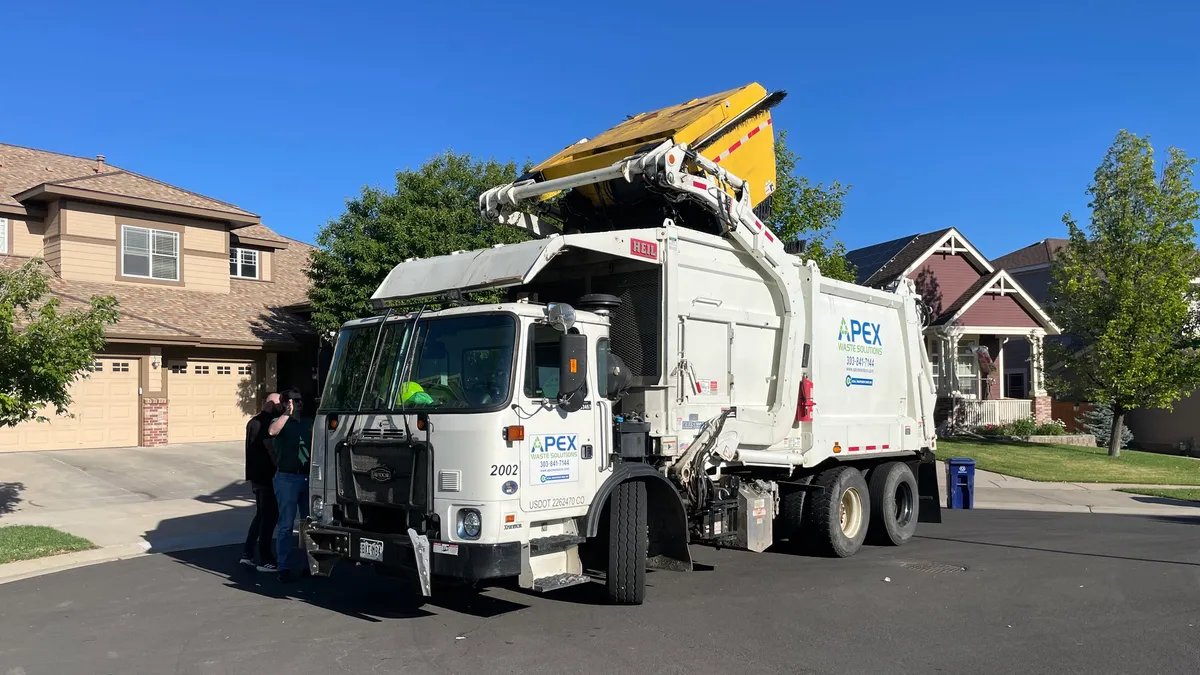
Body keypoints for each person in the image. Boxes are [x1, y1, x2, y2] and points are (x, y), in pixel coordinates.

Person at [269, 389, 314, 582]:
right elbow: (272, 432)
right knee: (286, 525)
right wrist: (287, 413)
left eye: (301, 399)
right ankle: (283, 566)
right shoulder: (279, 422)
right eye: (296, 400)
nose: (300, 402)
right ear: (287, 403)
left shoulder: (308, 423)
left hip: (307, 478)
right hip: (286, 479)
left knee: (308, 524)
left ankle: (310, 565)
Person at [240, 393, 281, 572]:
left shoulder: (252, 422)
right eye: (280, 404)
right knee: (269, 517)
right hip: (267, 476)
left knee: (260, 515)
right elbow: (270, 448)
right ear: (272, 405)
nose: (283, 407)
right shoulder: (267, 423)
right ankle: (265, 559)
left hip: (256, 476)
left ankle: (247, 554)